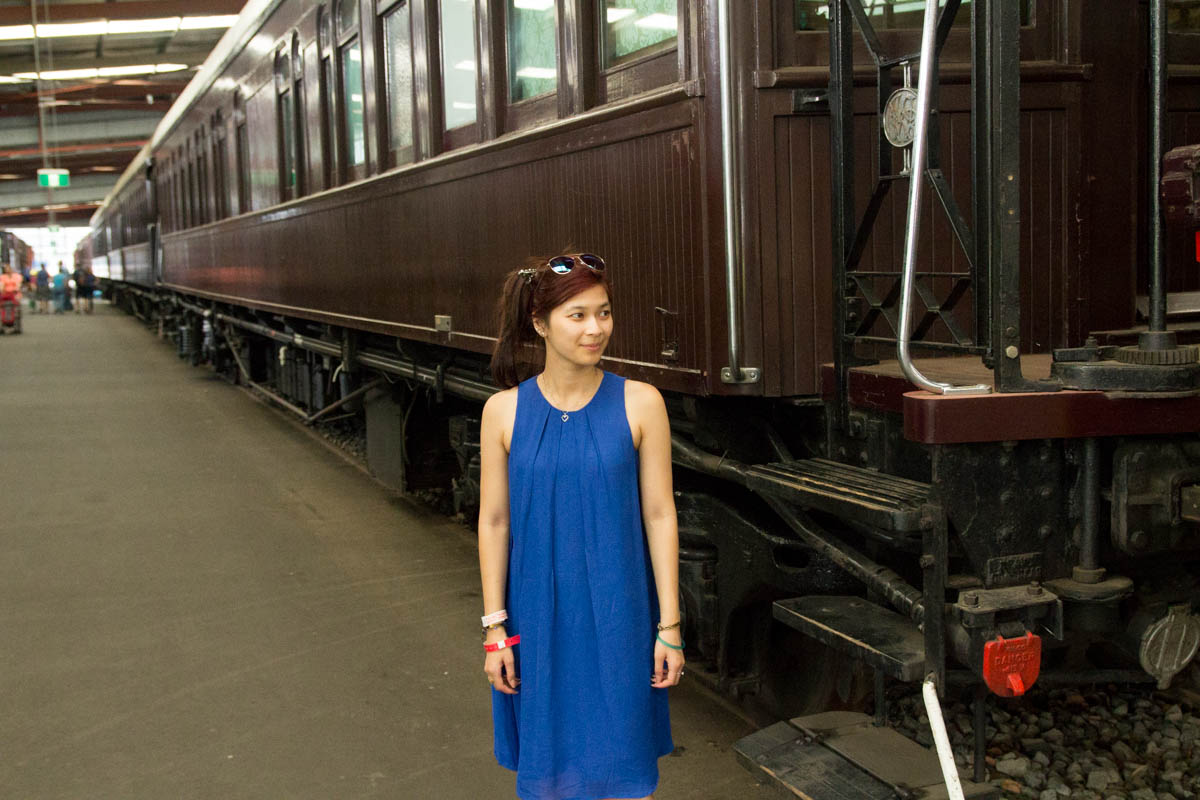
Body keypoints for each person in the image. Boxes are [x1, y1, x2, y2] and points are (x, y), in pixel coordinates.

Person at [478, 253, 682, 800]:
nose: (596, 329)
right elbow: (495, 523)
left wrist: (670, 627)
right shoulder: (501, 411)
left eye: (605, 313)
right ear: (539, 323)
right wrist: (495, 629)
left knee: (623, 766)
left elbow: (660, 515)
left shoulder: (642, 403)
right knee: (549, 773)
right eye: (578, 315)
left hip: (620, 617)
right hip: (535, 618)